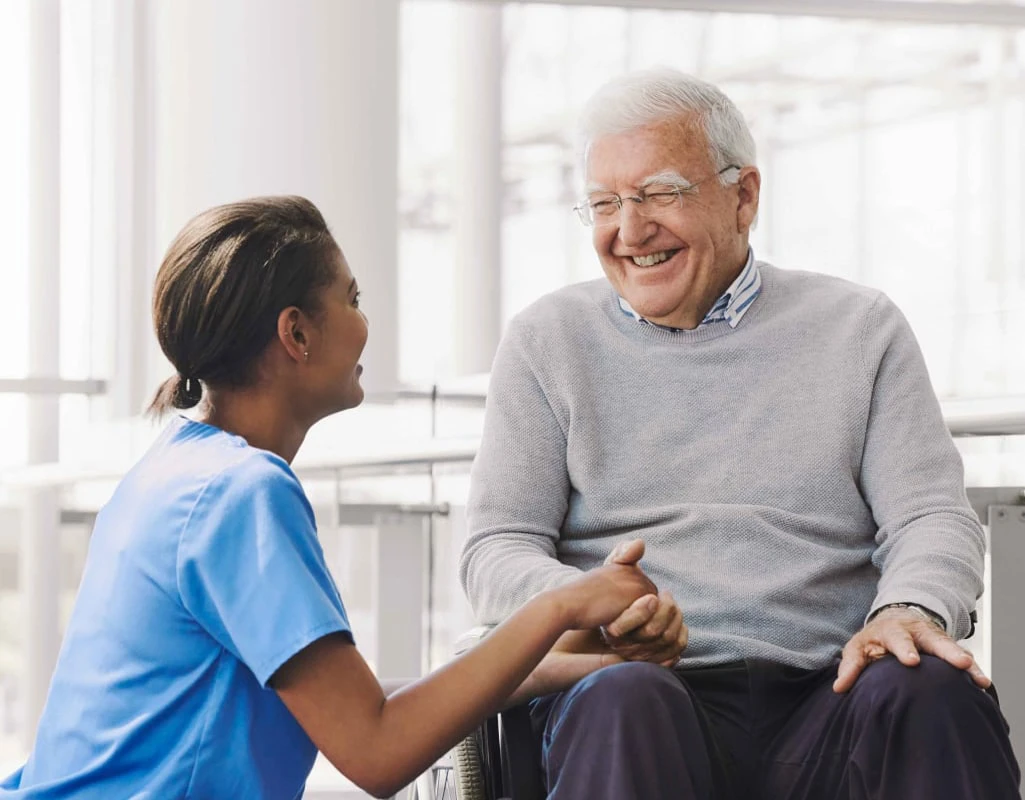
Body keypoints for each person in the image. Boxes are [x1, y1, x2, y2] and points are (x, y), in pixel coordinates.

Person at [459, 69, 1021, 799]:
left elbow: (929, 515)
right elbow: (495, 546)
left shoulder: (857, 327)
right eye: (604, 203)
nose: (629, 231)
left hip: (831, 689)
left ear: (743, 196)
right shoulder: (546, 340)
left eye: (658, 193)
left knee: (929, 689)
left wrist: (904, 610)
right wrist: (592, 604)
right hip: (639, 690)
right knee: (625, 699)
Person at [0, 196, 659, 800]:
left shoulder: (170, 474)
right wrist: (561, 602)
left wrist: (560, 667)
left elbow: (349, 710)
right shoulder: (241, 493)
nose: (365, 323)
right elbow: (375, 752)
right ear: (297, 334)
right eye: (352, 298)